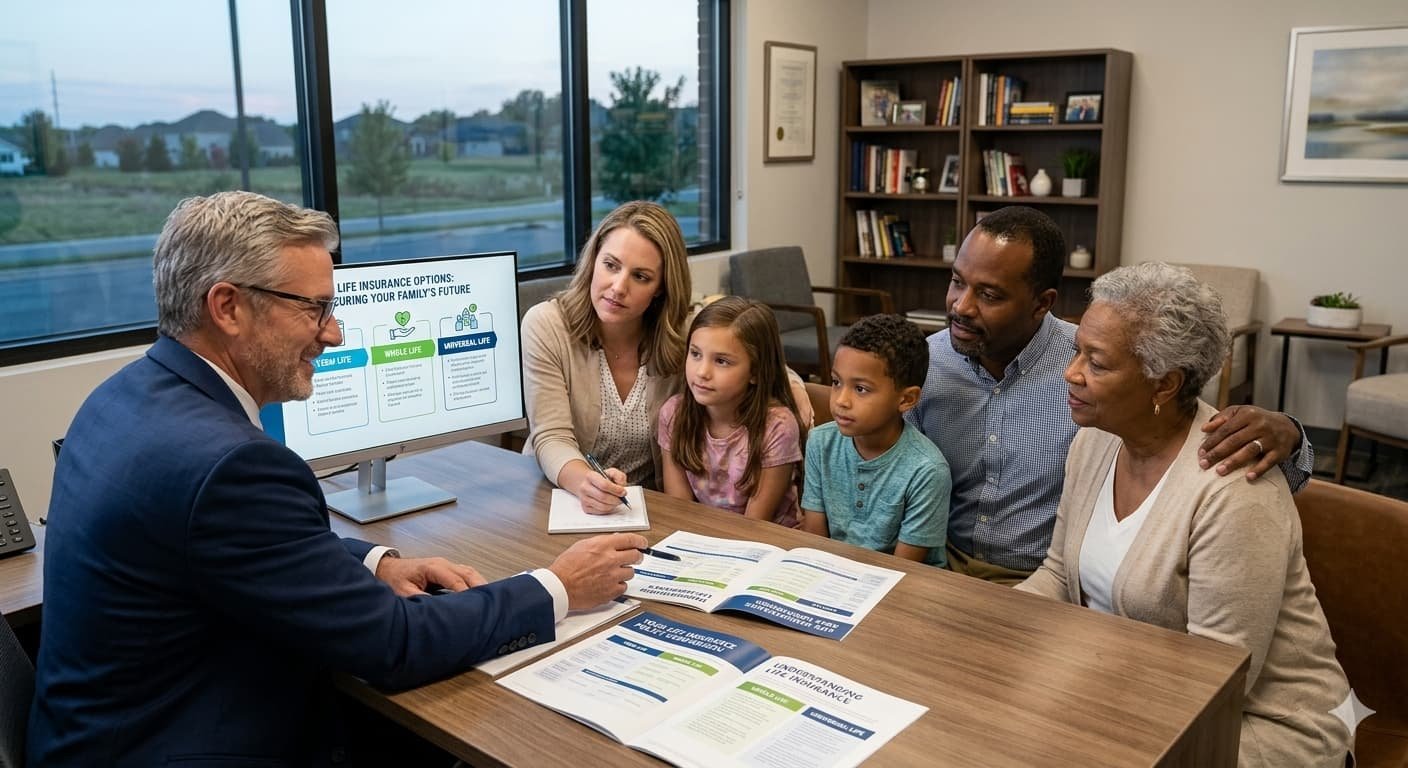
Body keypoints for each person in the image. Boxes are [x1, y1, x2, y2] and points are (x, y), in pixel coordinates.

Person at [28, 191, 646, 766]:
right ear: (227, 307)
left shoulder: (119, 398)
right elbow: (395, 645)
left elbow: (238, 548)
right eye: (315, 308)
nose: (334, 332)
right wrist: (557, 586)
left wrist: (375, 561)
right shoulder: (231, 466)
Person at [1016, 263, 1352, 767]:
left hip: (1257, 723)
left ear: (1164, 385)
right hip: (1129, 694)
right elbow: (1060, 575)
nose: (1072, 373)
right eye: (1076, 351)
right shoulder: (1094, 441)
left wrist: (1078, 689)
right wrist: (991, 623)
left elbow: (1216, 676)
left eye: (1097, 363)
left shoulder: (1233, 490)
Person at [906, 206, 1313, 584]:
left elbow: (1184, 441)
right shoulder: (926, 364)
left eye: (990, 295)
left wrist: (1290, 435)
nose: (961, 306)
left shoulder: (1101, 369)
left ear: (1042, 303)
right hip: (937, 564)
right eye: (957, 281)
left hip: (1050, 579)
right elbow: (889, 466)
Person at [522, 202, 811, 514]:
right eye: (611, 265)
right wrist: (585, 483)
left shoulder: (682, 330)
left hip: (649, 507)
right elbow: (551, 436)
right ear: (593, 261)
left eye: (640, 276)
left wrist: (793, 387)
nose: (618, 287)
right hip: (564, 494)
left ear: (661, 287)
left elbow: (751, 354)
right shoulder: (547, 325)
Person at [802, 314, 950, 565]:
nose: (841, 401)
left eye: (860, 389)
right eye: (836, 382)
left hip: (901, 578)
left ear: (906, 399)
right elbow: (815, 542)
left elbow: (904, 567)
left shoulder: (928, 471)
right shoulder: (820, 442)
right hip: (831, 572)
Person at [658, 297, 803, 526]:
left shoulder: (778, 426)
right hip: (698, 536)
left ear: (755, 372)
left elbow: (754, 524)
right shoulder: (673, 414)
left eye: (721, 361)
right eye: (695, 354)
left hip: (764, 539)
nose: (702, 372)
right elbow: (679, 509)